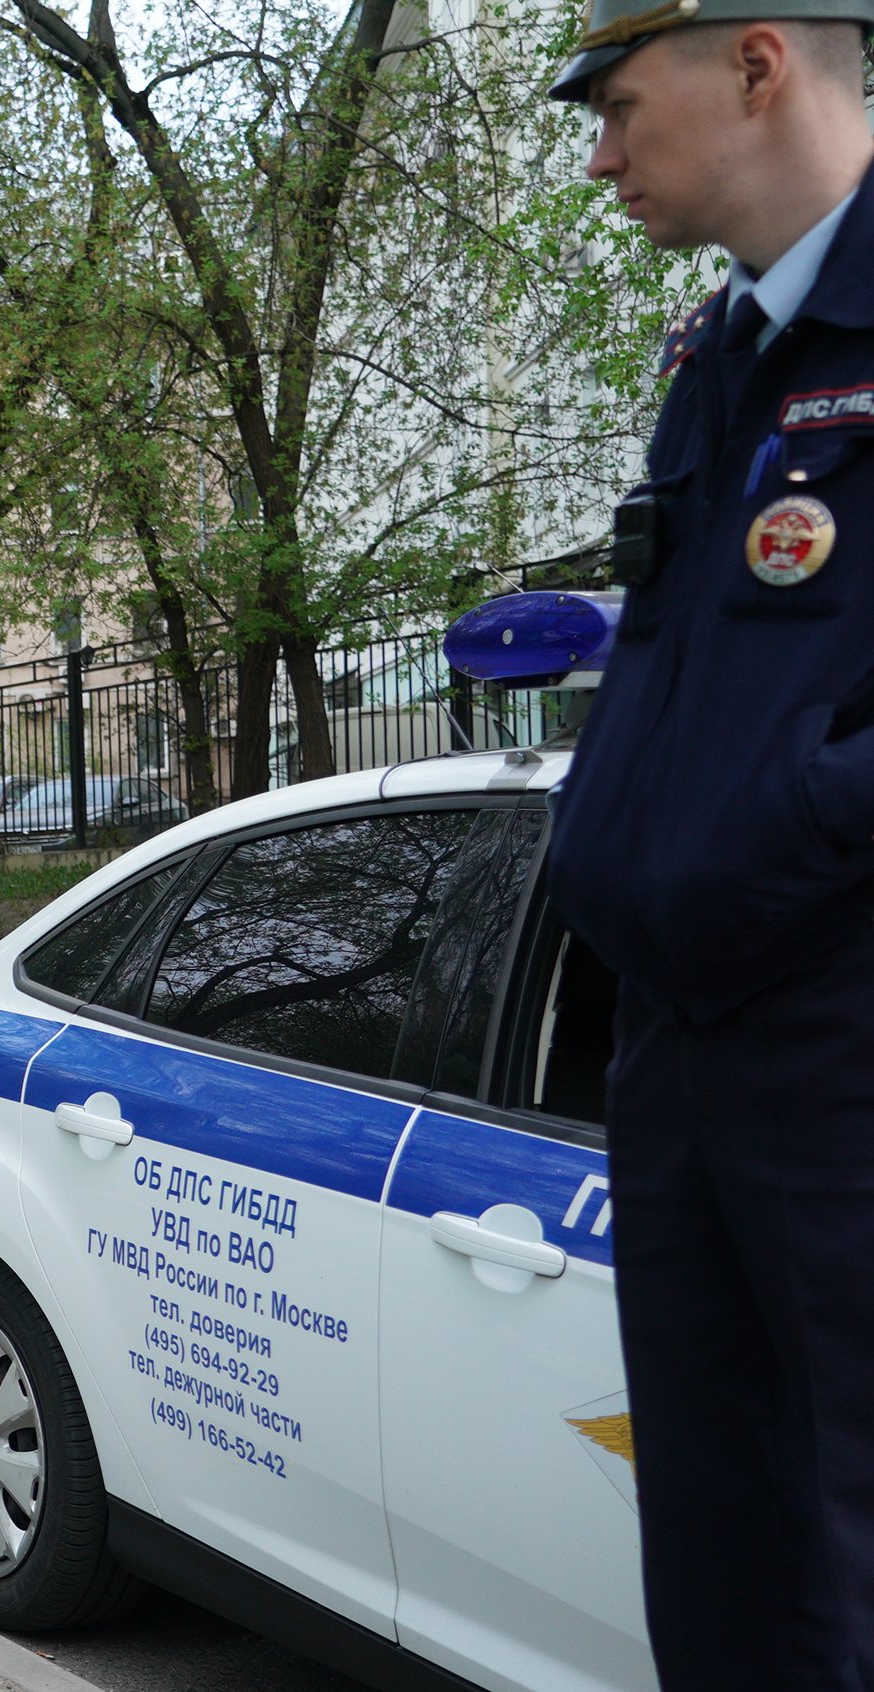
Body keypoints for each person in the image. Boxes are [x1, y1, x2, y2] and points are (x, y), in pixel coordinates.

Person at [548, 6, 874, 1685]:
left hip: (832, 1035)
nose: (596, 154)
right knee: (718, 1547)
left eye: (615, 105)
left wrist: (787, 824)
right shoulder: (720, 350)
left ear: (753, 65)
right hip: (681, 1043)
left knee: (838, 1564)